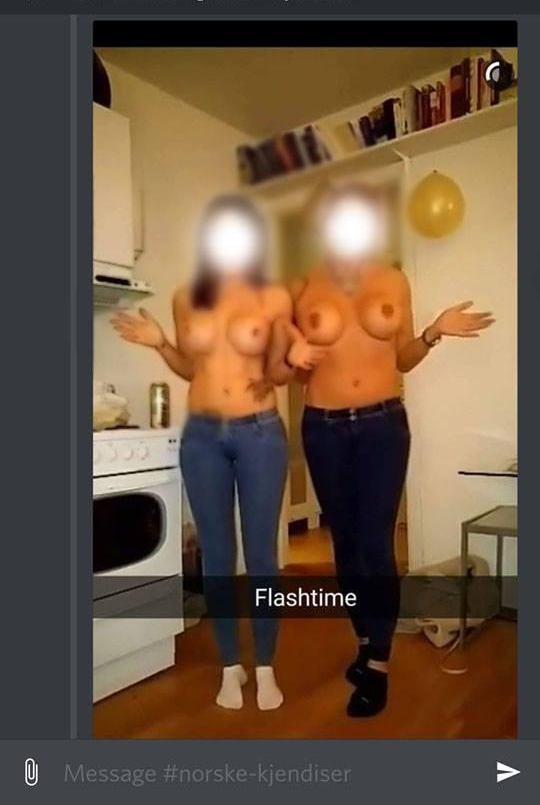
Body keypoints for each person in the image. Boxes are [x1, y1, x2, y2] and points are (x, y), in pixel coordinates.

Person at [267, 183, 494, 718]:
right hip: (323, 428)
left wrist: (433, 332)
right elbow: (281, 370)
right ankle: (367, 640)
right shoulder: (301, 286)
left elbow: (403, 358)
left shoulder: (393, 279)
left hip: (382, 427)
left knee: (375, 543)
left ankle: (378, 664)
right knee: (345, 546)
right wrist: (292, 355)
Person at [112, 195, 298, 711]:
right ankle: (230, 666)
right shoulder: (184, 297)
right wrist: (159, 343)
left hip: (260, 432)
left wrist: (295, 360)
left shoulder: (272, 296)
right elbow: (192, 368)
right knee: (217, 555)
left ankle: (265, 665)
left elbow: (279, 371)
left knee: (261, 555)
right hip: (202, 438)